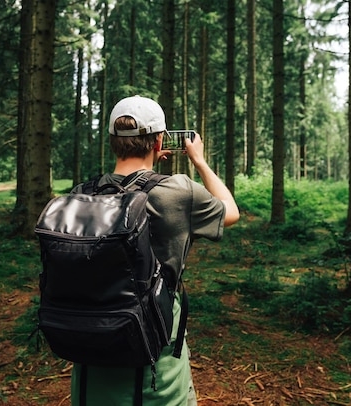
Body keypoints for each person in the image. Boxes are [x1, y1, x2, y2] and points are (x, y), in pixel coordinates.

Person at [70, 95, 240, 405]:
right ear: (159, 141)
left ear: (112, 141)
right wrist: (199, 161)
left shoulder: (82, 194)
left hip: (89, 364)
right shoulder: (177, 192)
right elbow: (230, 211)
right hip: (156, 372)